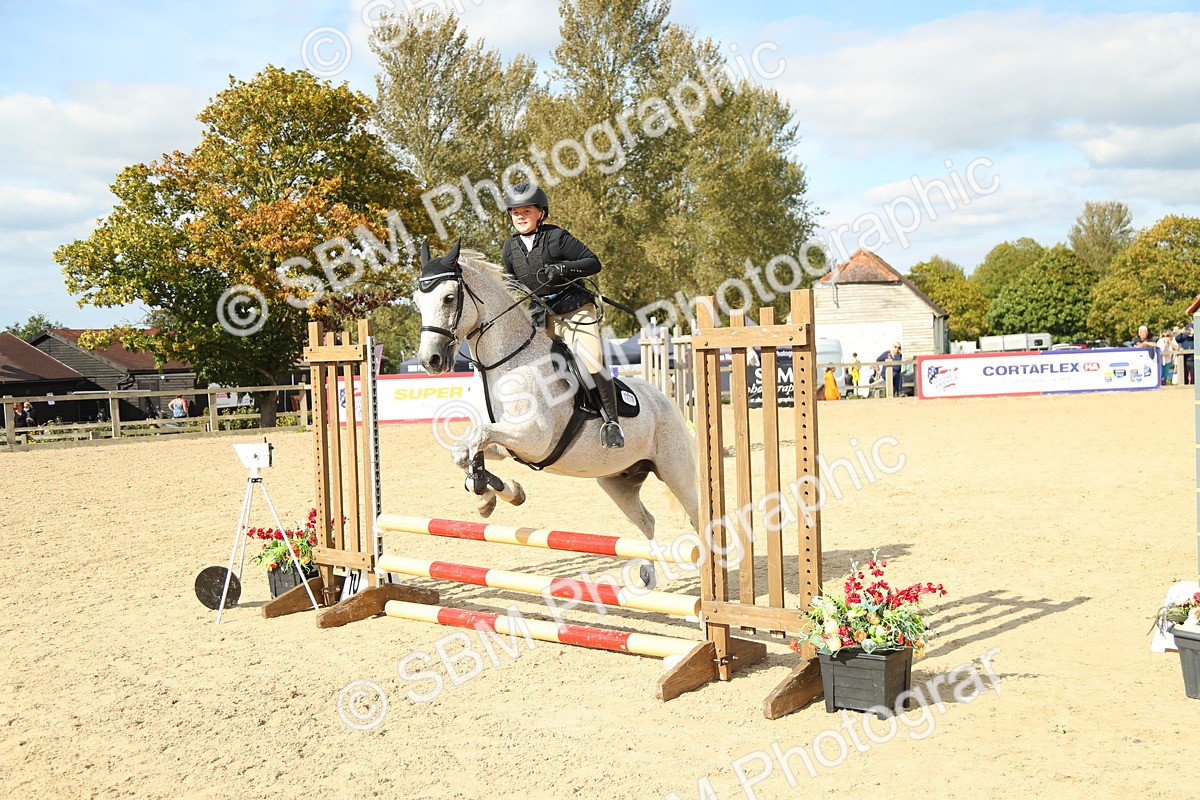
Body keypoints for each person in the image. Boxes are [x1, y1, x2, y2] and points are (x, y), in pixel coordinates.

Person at [501, 182, 624, 448]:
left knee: (591, 359)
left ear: (540, 213)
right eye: (515, 212)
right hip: (542, 317)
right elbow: (510, 283)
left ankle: (612, 423)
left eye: (526, 211)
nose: (520, 217)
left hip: (574, 309)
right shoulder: (509, 248)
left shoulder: (557, 237)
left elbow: (593, 262)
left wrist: (564, 268)